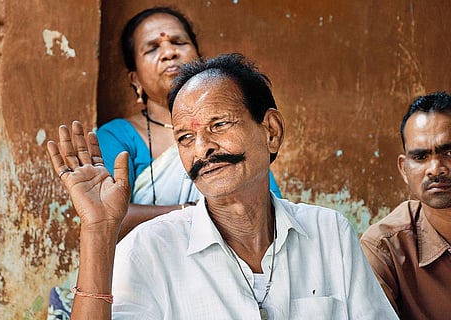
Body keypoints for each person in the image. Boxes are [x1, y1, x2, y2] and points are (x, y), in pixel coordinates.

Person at [47, 53, 397, 319]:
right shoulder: (148, 250)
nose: (202, 149)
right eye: (185, 137)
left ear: (270, 131)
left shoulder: (329, 233)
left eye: (220, 125)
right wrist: (97, 231)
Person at [97, 7, 282, 241]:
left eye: (178, 42)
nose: (169, 53)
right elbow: (110, 216)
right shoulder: (117, 137)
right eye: (152, 48)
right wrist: (192, 212)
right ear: (136, 80)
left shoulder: (236, 129)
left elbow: (267, 206)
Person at [360, 91, 451, 320]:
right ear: (403, 168)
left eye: (449, 152)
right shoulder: (384, 247)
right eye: (420, 157)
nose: (435, 168)